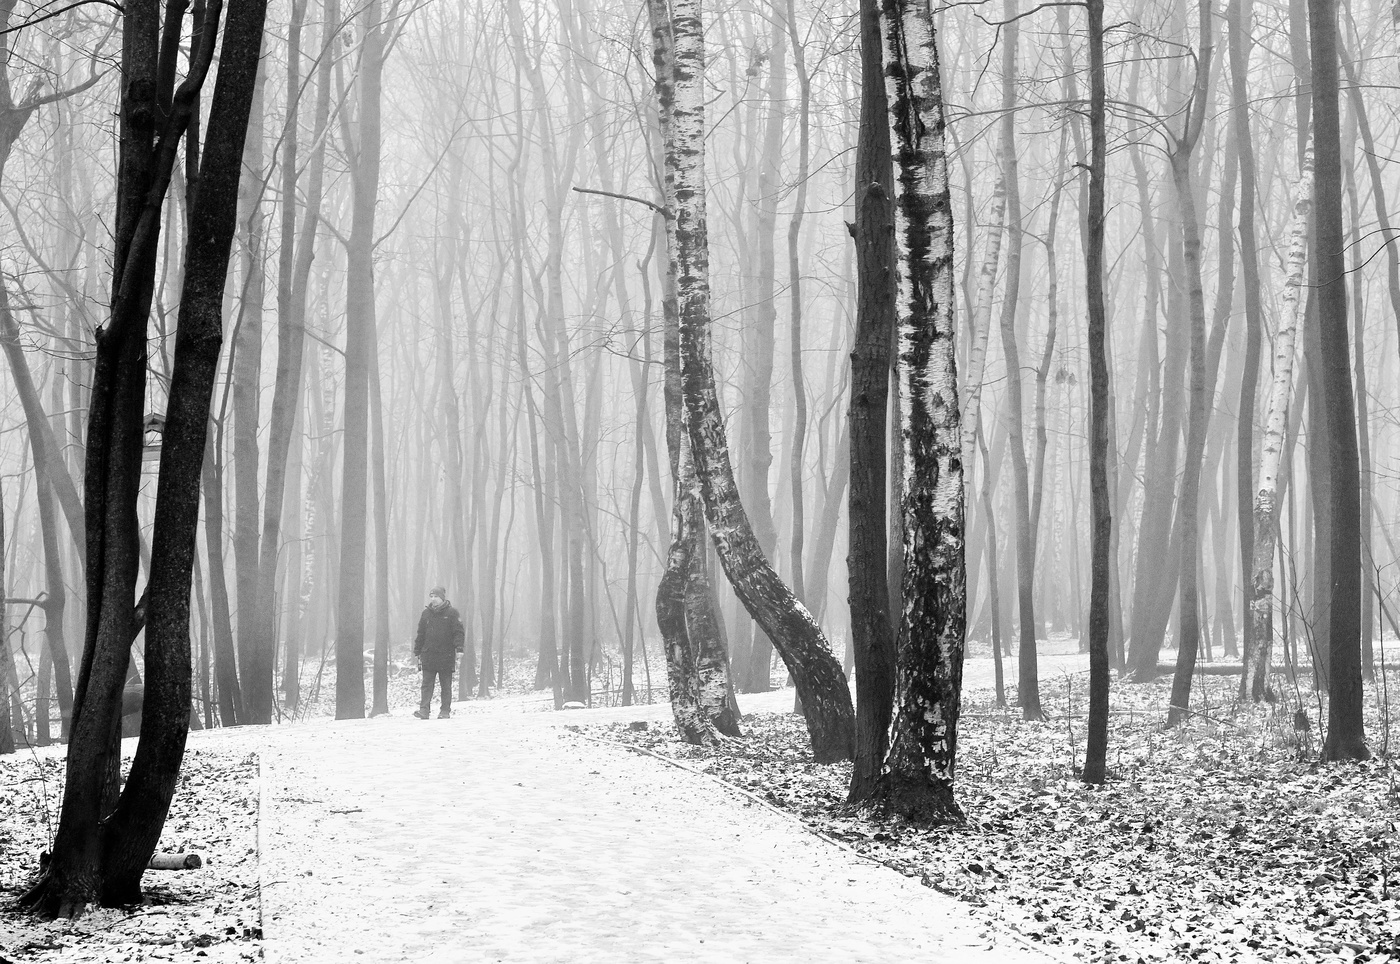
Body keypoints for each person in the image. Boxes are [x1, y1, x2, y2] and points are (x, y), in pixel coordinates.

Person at [413, 586, 465, 719]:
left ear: (442, 598)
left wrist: (459, 649)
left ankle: (445, 711)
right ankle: (424, 710)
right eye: (431, 596)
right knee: (426, 685)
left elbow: (458, 632)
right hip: (428, 655)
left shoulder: (452, 613)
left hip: (446, 655)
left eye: (436, 596)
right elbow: (421, 633)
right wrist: (417, 650)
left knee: (445, 685)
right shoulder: (426, 614)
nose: (433, 599)